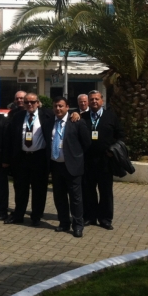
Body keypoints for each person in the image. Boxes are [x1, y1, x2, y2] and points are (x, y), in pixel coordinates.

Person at [44, 96, 92, 238]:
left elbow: (86, 143)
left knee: (75, 198)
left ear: (67, 107)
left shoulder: (76, 122)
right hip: (56, 166)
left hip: (72, 166)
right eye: (55, 106)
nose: (58, 108)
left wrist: (76, 156)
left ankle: (78, 226)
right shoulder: (49, 123)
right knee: (59, 197)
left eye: (60, 106)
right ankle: (64, 223)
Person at [3, 93, 54, 226]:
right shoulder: (18, 116)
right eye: (27, 102)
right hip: (22, 158)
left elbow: (63, 115)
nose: (29, 104)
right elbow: (9, 138)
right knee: (20, 189)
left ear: (38, 102)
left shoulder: (48, 115)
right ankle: (18, 215)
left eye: (32, 102)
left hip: (39, 158)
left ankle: (36, 216)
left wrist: (75, 114)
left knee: (39, 189)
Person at [82, 90, 124, 230]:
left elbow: (121, 135)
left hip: (105, 161)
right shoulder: (83, 117)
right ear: (88, 102)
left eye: (97, 99)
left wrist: (114, 149)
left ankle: (105, 219)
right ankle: (90, 217)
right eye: (91, 99)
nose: (94, 101)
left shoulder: (111, 117)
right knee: (88, 191)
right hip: (87, 161)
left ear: (102, 101)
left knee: (105, 191)